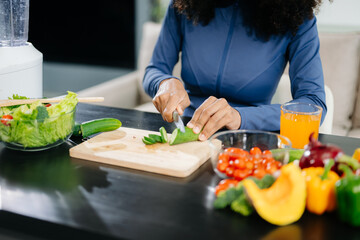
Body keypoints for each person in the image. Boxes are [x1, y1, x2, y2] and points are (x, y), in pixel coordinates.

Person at [143, 0, 328, 141]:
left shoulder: (299, 19)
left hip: (250, 139)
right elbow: (155, 69)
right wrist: (164, 83)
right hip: (187, 129)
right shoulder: (184, 5)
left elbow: (312, 103)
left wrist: (240, 117)